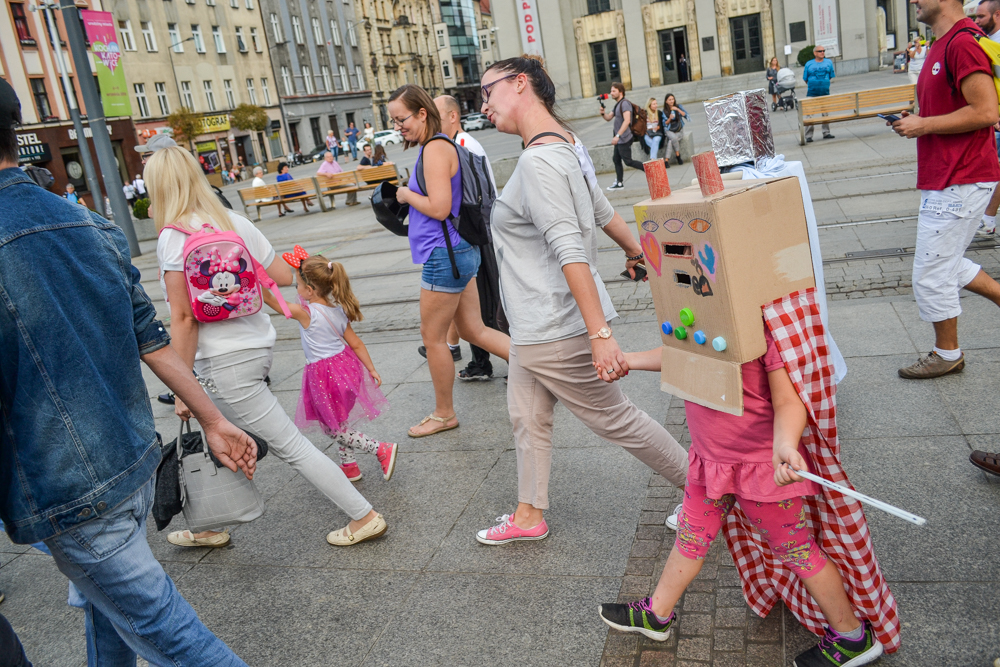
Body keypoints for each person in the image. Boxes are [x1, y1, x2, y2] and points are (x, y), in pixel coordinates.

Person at [0, 77, 257, 666]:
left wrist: (215, 418)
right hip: (131, 459)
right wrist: (213, 419)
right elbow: (154, 340)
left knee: (176, 638)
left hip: (68, 483)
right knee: (106, 610)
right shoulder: (90, 224)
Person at [474, 56, 688, 545]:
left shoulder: (539, 160)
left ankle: (707, 490)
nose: (483, 105)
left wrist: (601, 335)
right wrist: (638, 254)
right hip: (533, 325)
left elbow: (569, 247)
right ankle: (529, 515)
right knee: (526, 415)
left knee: (616, 418)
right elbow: (601, 210)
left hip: (555, 324)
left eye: (487, 92)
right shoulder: (563, 145)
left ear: (520, 84)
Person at [147, 145, 388, 548]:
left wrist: (181, 384)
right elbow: (281, 275)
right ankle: (208, 524)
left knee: (290, 446)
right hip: (257, 350)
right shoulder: (234, 221)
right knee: (214, 433)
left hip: (224, 364)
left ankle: (364, 516)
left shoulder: (174, 238)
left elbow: (184, 319)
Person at [600, 331, 888, 667]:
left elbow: (787, 400)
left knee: (798, 551)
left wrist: (785, 445)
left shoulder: (764, 329)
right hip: (709, 462)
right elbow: (682, 356)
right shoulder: (701, 312)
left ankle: (853, 637)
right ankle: (657, 615)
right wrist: (628, 360)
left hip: (760, 469)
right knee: (691, 538)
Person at [388, 84, 511, 437]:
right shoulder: (442, 146)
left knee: (434, 338)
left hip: (446, 255)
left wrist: (406, 194)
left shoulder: (435, 150)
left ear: (422, 113)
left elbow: (440, 208)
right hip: (459, 250)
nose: (399, 127)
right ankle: (536, 370)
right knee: (474, 330)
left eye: (402, 119)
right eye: (395, 122)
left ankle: (444, 414)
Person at [890, 0, 1000, 380]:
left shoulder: (962, 42)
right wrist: (917, 121)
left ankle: (947, 353)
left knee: (931, 272)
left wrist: (925, 125)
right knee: (947, 262)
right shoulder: (940, 44)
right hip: (947, 174)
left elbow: (986, 111)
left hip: (962, 175)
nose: (913, 1)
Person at [267, 251, 398, 485]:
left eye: (298, 284)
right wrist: (371, 369)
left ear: (310, 290)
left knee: (332, 428)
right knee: (340, 419)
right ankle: (349, 466)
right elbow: (355, 343)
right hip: (347, 368)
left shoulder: (306, 313)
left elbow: (275, 303)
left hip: (325, 375)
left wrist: (256, 283)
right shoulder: (337, 310)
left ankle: (380, 448)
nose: (296, 289)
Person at [431, 93, 503, 382]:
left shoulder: (463, 145)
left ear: (453, 116)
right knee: (473, 305)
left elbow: (477, 197)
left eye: (436, 116)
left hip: (477, 234)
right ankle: (480, 362)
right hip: (473, 233)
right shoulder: (455, 145)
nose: (433, 123)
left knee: (488, 302)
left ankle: (510, 362)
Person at [973, 0, 1000, 238]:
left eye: (981, 16)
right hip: (993, 118)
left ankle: (988, 219)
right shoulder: (982, 44)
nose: (977, 21)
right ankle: (987, 219)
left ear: (997, 15)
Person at [599, 82, 645, 191]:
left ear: (621, 92)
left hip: (624, 138)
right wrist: (602, 113)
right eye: (611, 91)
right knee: (616, 159)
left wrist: (618, 135)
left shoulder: (625, 104)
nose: (611, 93)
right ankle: (619, 183)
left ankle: (649, 169)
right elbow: (609, 117)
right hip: (619, 139)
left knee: (628, 161)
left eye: (614, 91)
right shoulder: (617, 104)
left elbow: (627, 120)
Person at [803, 45, 836, 142]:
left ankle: (826, 133)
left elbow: (830, 76)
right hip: (812, 93)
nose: (822, 52)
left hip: (824, 92)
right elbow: (805, 79)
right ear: (815, 53)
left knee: (825, 113)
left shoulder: (828, 62)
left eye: (823, 51)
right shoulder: (809, 64)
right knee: (809, 114)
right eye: (820, 51)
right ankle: (808, 136)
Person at [663, 93, 687, 165]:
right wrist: (670, 118)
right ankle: (678, 156)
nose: (671, 101)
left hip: (678, 130)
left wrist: (677, 109)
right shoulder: (665, 111)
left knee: (671, 141)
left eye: (672, 99)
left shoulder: (678, 106)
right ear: (666, 101)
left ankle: (666, 160)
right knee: (673, 138)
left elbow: (684, 114)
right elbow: (665, 124)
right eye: (669, 100)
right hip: (669, 130)